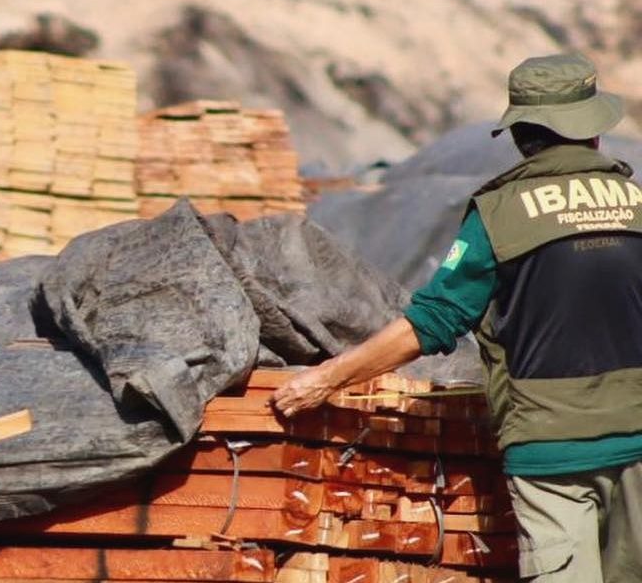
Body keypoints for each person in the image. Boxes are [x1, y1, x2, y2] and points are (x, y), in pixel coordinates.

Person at [272, 52, 642, 582]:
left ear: (520, 136)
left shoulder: (499, 214)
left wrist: (325, 379)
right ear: (594, 133)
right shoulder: (635, 201)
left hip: (551, 451)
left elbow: (434, 320)